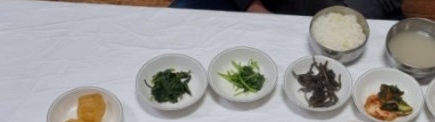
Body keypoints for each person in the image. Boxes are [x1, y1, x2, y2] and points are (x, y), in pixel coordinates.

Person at [169, 0, 405, 20]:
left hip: (350, 11)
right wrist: (250, 5)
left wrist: (344, 17)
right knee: (178, 16)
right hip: (268, 4)